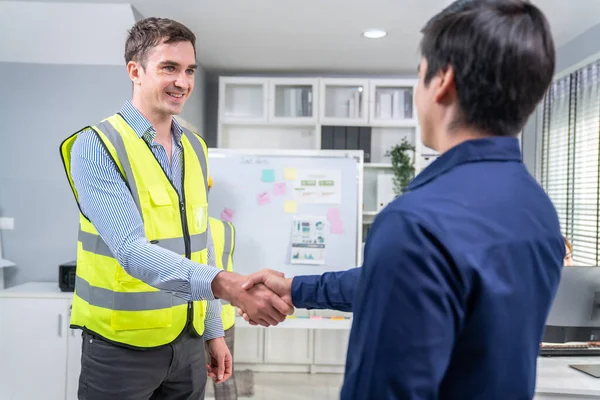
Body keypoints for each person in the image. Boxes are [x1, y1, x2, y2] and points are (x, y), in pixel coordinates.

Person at [240, 1, 565, 398]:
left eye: (419, 75)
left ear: (442, 81)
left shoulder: (416, 223)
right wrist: (296, 287)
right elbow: (420, 286)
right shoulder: (536, 208)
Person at [59, 17, 292, 400]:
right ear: (135, 71)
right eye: (169, 67)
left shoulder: (195, 148)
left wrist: (214, 332)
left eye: (189, 70)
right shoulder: (98, 145)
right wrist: (229, 285)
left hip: (187, 345)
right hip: (121, 351)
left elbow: (203, 243)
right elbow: (131, 251)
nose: (182, 82)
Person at [207, 177, 239, 400]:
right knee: (224, 375)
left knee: (189, 379)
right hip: (225, 314)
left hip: (196, 315)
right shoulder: (226, 228)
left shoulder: (185, 228)